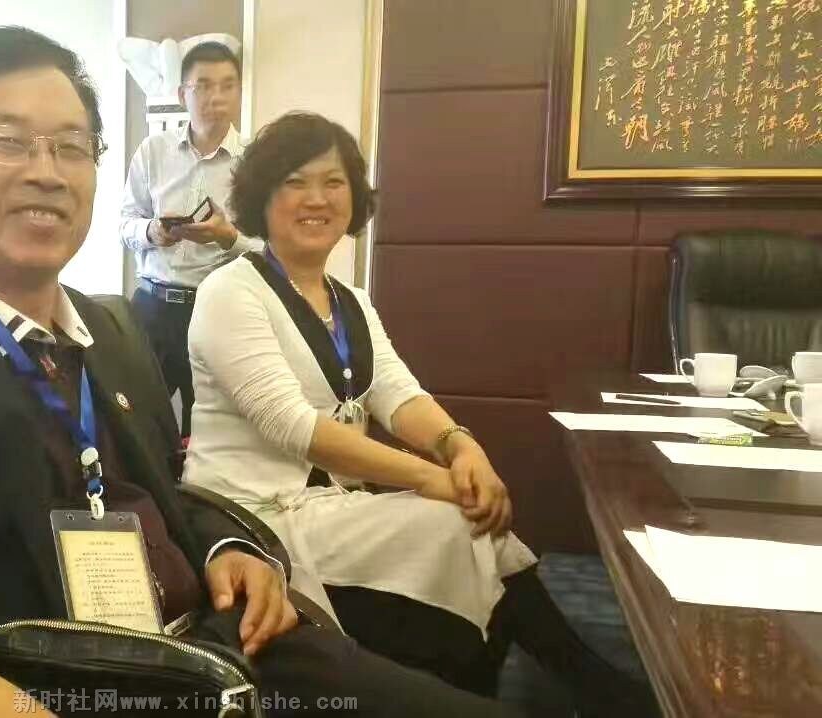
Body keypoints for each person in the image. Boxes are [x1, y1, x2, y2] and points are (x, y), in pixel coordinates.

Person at [0, 27, 528, 718]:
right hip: (58, 686)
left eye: (72, 146)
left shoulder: (113, 330)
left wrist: (227, 550)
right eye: (7, 141)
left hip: (224, 654)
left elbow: (167, 494)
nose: (47, 172)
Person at [183, 112, 657, 717]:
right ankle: (580, 685)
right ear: (262, 196)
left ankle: (552, 685)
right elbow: (292, 425)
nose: (316, 199)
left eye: (333, 182)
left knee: (469, 526)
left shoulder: (349, 300)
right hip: (254, 518)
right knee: (458, 523)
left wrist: (462, 448)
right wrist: (432, 478)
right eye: (295, 182)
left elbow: (398, 394)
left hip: (331, 506)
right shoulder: (231, 291)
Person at [119, 41, 262, 436]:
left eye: (228, 85)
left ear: (239, 92)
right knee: (136, 423)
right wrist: (152, 231)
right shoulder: (153, 150)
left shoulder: (256, 160)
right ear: (183, 94)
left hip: (218, 308)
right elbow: (125, 224)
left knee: (207, 430)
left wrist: (228, 237)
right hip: (153, 307)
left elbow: (272, 249)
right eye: (204, 86)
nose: (217, 97)